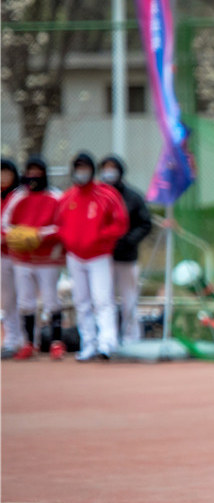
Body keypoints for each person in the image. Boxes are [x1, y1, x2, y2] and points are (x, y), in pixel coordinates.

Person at [55, 152, 128, 361]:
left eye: (85, 168)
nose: (82, 172)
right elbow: (59, 224)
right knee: (81, 302)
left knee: (102, 300)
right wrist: (69, 242)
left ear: (92, 170)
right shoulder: (67, 197)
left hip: (99, 256)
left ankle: (107, 343)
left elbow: (120, 223)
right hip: (75, 257)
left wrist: (100, 237)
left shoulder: (107, 194)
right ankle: (88, 344)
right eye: (78, 168)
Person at [1, 156, 67, 360]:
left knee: (51, 300)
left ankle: (56, 343)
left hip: (47, 259)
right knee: (25, 302)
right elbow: (4, 224)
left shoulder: (56, 196)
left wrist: (39, 235)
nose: (34, 176)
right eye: (30, 172)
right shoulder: (18, 196)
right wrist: (17, 235)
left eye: (38, 172)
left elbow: (63, 225)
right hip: (22, 259)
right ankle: (29, 343)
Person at [99, 155, 152, 346]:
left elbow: (145, 223)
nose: (109, 172)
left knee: (129, 299)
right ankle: (107, 339)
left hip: (127, 257)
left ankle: (131, 338)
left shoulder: (133, 197)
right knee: (104, 300)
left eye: (113, 168)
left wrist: (128, 241)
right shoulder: (98, 195)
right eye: (105, 168)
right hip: (102, 258)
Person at [1, 158, 21, 358]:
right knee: (7, 300)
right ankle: (11, 340)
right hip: (3, 257)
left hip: (21, 255)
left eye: (7, 172)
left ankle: (28, 340)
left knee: (24, 299)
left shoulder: (19, 195)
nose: (3, 176)